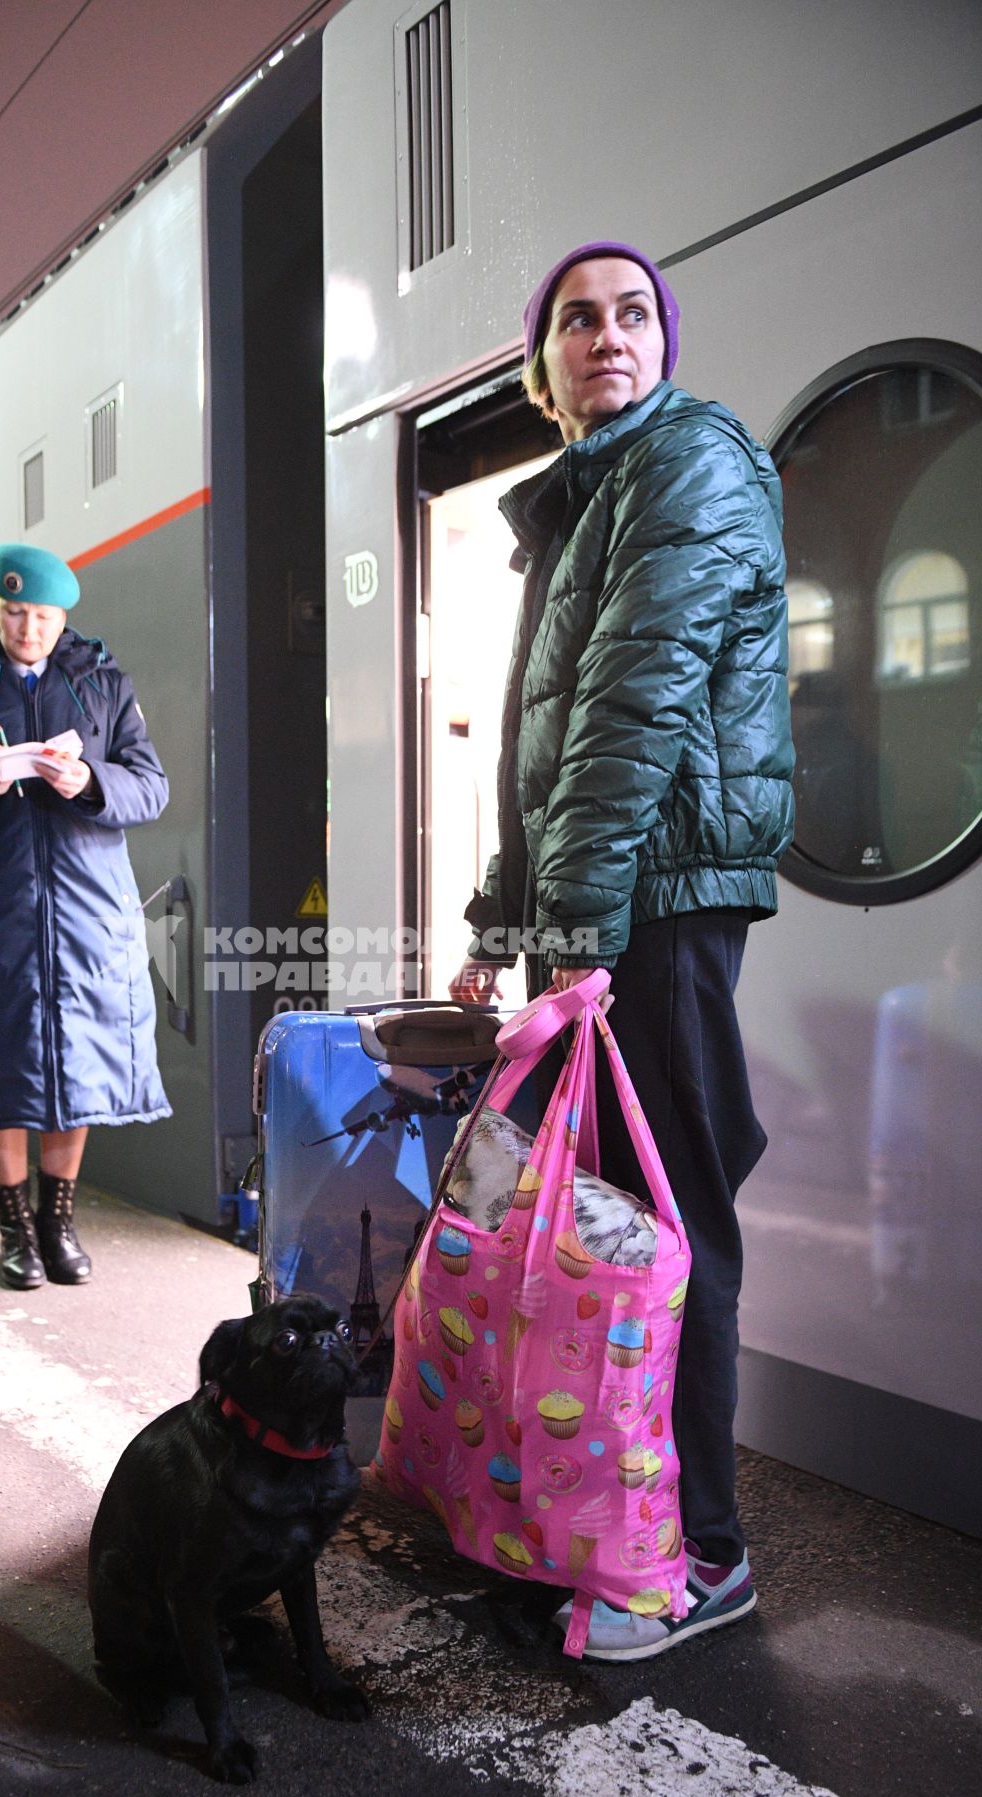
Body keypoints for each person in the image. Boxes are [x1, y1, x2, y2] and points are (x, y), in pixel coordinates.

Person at [450, 244, 794, 1658]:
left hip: (661, 912)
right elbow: (551, 751)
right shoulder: (587, 499)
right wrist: (498, 925)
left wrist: (568, 936)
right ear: (544, 370)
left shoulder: (689, 466)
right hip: (604, 914)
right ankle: (602, 1523)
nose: (609, 334)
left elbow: (633, 717)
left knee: (671, 1222)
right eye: (577, 319)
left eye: (633, 312)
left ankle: (703, 1553)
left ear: (666, 341)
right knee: (597, 1235)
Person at [0, 543, 171, 1289]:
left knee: (77, 1063)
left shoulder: (100, 680)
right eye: (15, 613)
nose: (29, 629)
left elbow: (151, 787)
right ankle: (14, 1223)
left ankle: (58, 1221)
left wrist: (88, 778)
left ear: (65, 618)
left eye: (44, 617)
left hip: (88, 908)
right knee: (3, 1062)